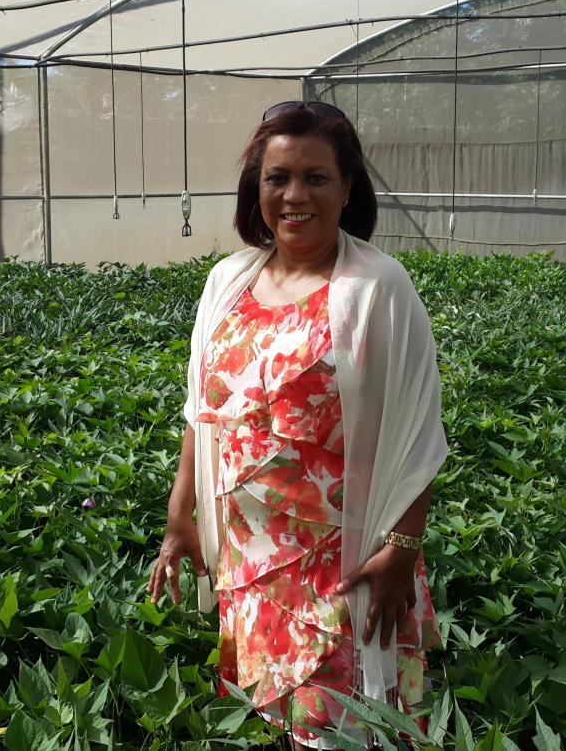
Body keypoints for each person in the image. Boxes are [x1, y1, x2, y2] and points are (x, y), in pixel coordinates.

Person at [148, 100, 448, 749]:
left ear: (347, 189)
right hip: (250, 562)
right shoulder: (227, 282)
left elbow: (418, 431)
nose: (294, 195)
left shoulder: (377, 287)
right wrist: (179, 517)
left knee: (343, 729)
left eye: (316, 178)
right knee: (272, 721)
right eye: (277, 178)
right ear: (255, 189)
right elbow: (203, 410)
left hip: (343, 564)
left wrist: (402, 549)